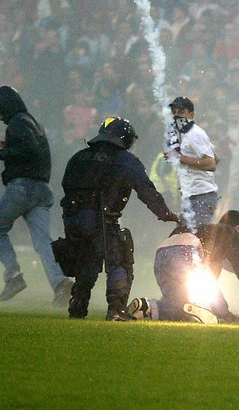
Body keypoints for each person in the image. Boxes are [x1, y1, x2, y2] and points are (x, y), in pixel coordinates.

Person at [60, 116, 180, 321]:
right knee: (119, 257)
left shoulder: (78, 157)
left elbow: (66, 185)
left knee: (87, 260)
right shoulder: (126, 160)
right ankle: (116, 308)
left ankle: (78, 305)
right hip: (101, 218)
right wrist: (166, 214)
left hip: (72, 219)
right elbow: (146, 190)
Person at [0, 85, 73, 304]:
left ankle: (13, 276)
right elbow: (36, 151)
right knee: (43, 242)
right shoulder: (33, 122)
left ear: (7, 104)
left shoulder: (18, 122)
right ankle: (60, 284)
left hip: (23, 187)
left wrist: (3, 153)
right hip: (42, 190)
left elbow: (29, 151)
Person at [128, 210, 239, 323]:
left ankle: (145, 306)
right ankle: (201, 314)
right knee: (202, 312)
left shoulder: (208, 234)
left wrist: (227, 314)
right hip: (186, 252)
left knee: (180, 307)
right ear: (237, 228)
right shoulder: (230, 235)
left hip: (161, 254)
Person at [165, 96, 219, 228]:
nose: (177, 116)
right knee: (187, 238)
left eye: (181, 112)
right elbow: (216, 158)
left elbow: (211, 164)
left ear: (191, 114)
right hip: (193, 196)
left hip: (200, 197)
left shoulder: (194, 134)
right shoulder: (185, 134)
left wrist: (180, 158)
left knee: (195, 239)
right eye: (174, 112)